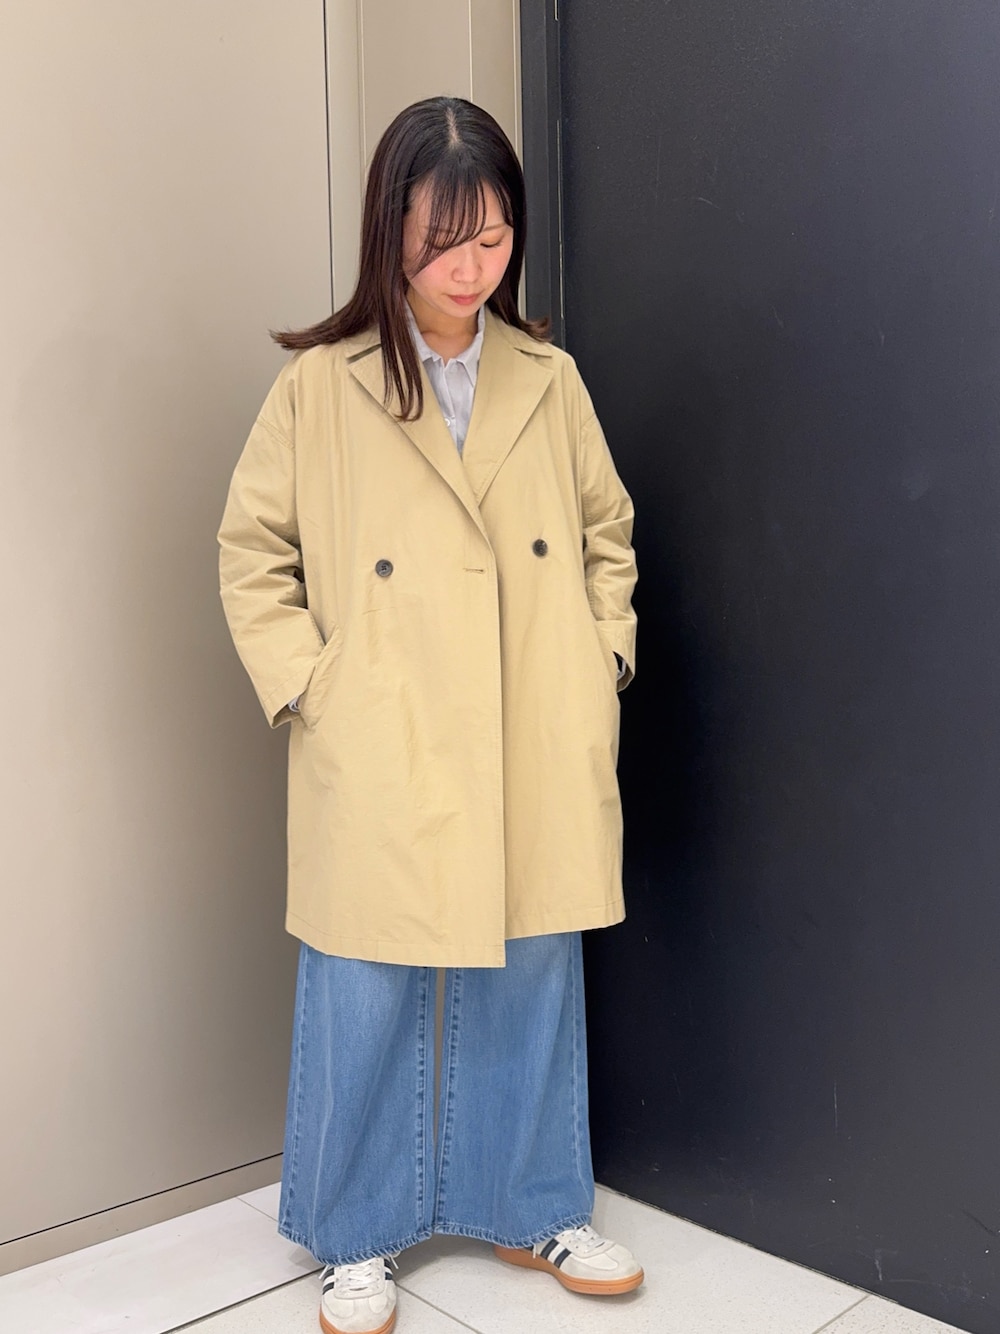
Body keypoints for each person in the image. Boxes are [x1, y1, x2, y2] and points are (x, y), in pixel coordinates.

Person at [218, 95, 640, 1334]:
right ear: (390, 230)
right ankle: (355, 1233)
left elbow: (607, 530)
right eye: (444, 241)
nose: (471, 267)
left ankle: (533, 1201)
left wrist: (599, 653)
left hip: (528, 713)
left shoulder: (549, 379)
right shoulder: (320, 387)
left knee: (531, 960)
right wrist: (315, 684)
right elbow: (252, 551)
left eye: (494, 238)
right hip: (385, 719)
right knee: (363, 973)